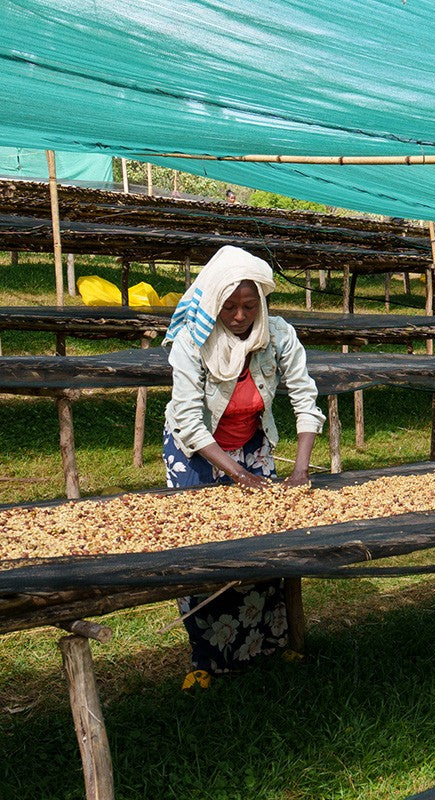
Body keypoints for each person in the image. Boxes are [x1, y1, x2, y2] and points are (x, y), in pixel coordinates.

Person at [162, 245, 325, 686]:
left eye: (249, 306)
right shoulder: (192, 342)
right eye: (229, 306)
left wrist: (300, 470)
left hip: (251, 445)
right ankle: (209, 661)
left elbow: (305, 399)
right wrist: (236, 474)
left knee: (263, 546)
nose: (239, 316)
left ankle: (267, 645)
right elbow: (190, 422)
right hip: (198, 452)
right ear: (213, 303)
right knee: (207, 550)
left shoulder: (277, 336)